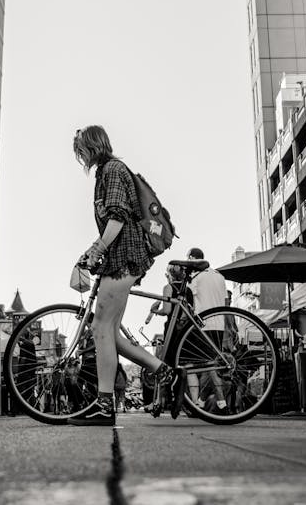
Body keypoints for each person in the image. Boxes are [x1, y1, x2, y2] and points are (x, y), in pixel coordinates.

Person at [69, 125, 183, 426]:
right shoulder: (106, 171)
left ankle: (104, 405)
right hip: (121, 256)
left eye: (80, 148)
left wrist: (96, 249)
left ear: (92, 146)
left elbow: (118, 216)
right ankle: (164, 371)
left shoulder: (112, 169)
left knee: (100, 328)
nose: (79, 154)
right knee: (109, 332)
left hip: (126, 255)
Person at [186, 247, 230, 411]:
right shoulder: (219, 276)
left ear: (191, 258)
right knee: (206, 365)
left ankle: (221, 402)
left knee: (210, 366)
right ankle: (201, 401)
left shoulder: (196, 278)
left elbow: (188, 302)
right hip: (219, 324)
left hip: (204, 325)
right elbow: (226, 303)